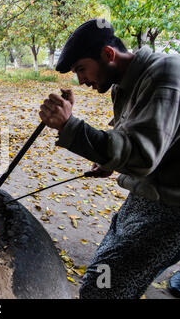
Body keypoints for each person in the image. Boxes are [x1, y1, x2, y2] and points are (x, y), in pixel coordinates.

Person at [39, 19, 180, 299]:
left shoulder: (166, 73)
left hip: (173, 208)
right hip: (147, 194)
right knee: (103, 272)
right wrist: (108, 163)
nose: (80, 80)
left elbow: (141, 156)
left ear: (108, 54)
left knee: (100, 289)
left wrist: (70, 127)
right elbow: (128, 136)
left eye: (81, 69)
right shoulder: (123, 84)